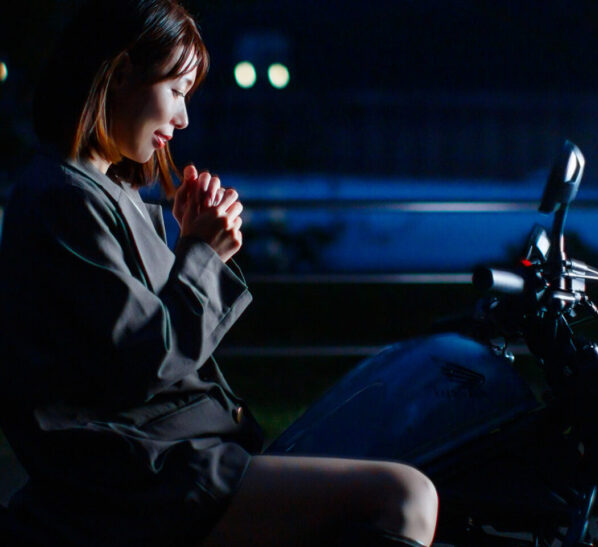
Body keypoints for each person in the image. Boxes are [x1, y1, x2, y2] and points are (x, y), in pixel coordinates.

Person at [0, 1, 438, 545]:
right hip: (140, 474)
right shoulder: (65, 198)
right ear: (121, 75)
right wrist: (202, 252)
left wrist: (191, 244)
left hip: (163, 457)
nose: (183, 118)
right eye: (177, 90)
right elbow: (147, 358)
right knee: (405, 495)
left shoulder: (97, 191)